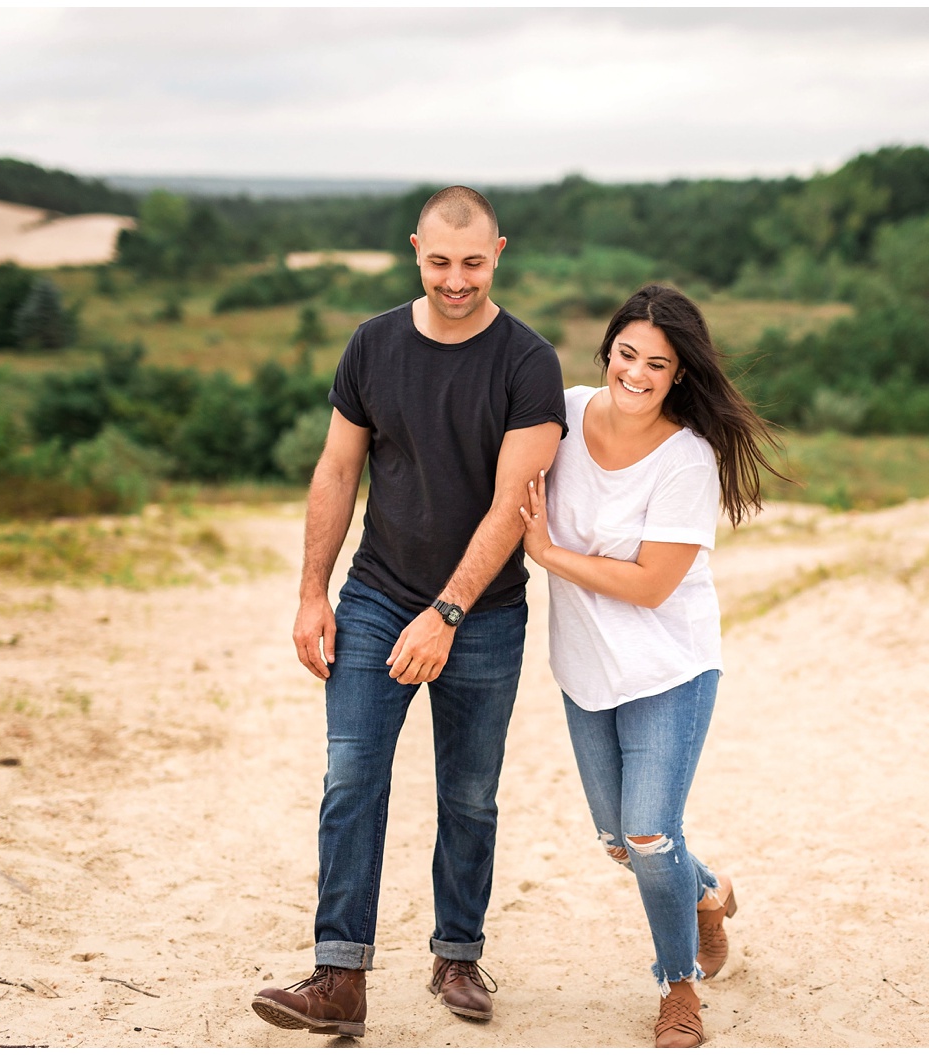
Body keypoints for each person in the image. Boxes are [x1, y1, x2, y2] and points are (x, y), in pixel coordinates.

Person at [251, 187, 565, 1038]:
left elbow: (513, 506)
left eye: (472, 262)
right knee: (351, 777)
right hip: (376, 594)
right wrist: (313, 591)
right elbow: (336, 470)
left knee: (469, 795)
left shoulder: (528, 363)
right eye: (439, 261)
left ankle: (458, 955)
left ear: (499, 250)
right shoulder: (372, 344)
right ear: (414, 249)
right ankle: (339, 976)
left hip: (485, 614)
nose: (455, 279)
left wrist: (448, 613)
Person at [517, 284, 784, 1047]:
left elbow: (651, 583)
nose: (636, 373)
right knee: (618, 840)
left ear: (678, 377)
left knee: (646, 834)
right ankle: (708, 891)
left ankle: (679, 990)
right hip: (585, 668)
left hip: (670, 666)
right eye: (627, 354)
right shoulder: (562, 414)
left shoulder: (687, 458)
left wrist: (549, 555)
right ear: (607, 352)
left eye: (657, 364)